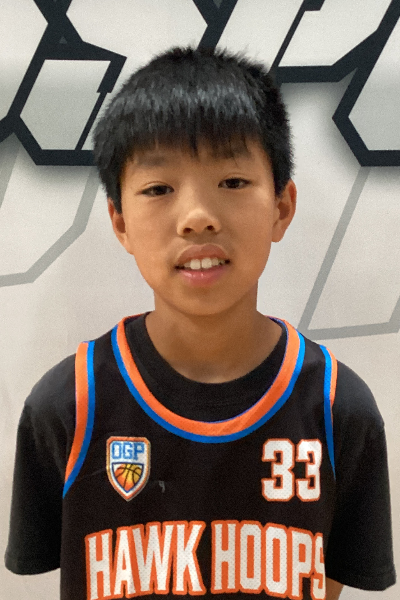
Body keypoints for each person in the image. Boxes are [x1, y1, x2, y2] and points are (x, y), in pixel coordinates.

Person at [5, 46, 396, 600]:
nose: (197, 217)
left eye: (232, 182)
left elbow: (331, 579)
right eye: (159, 189)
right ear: (120, 221)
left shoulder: (338, 409)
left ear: (281, 207)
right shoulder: (67, 404)